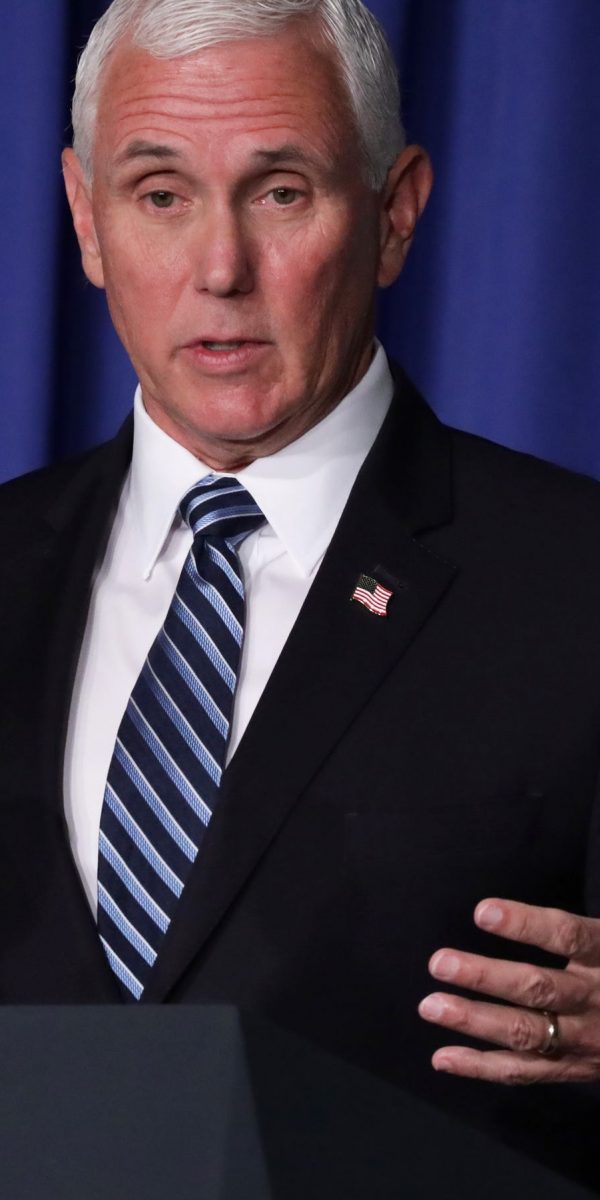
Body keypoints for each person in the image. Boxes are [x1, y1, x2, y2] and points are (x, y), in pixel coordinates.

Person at [1, 0, 600, 1185]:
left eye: (280, 192)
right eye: (160, 194)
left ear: (395, 213)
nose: (220, 268)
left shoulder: (576, 580)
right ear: (85, 218)